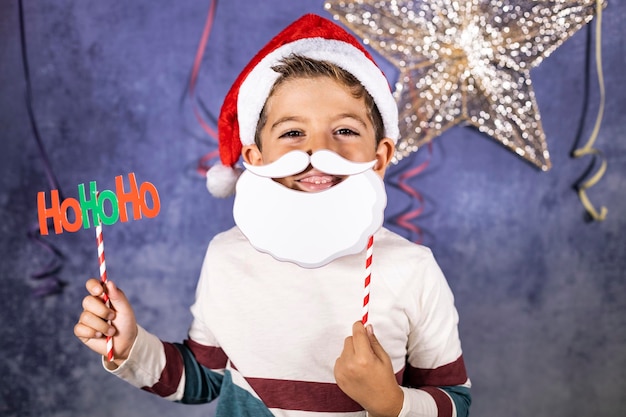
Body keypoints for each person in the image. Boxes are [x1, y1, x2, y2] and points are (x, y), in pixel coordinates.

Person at [74, 14, 471, 417]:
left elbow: (455, 401)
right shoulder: (226, 257)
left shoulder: (412, 269)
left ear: (380, 157)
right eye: (292, 133)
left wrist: (390, 401)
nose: (319, 150)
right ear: (255, 158)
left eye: (345, 131)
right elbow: (204, 379)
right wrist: (129, 345)